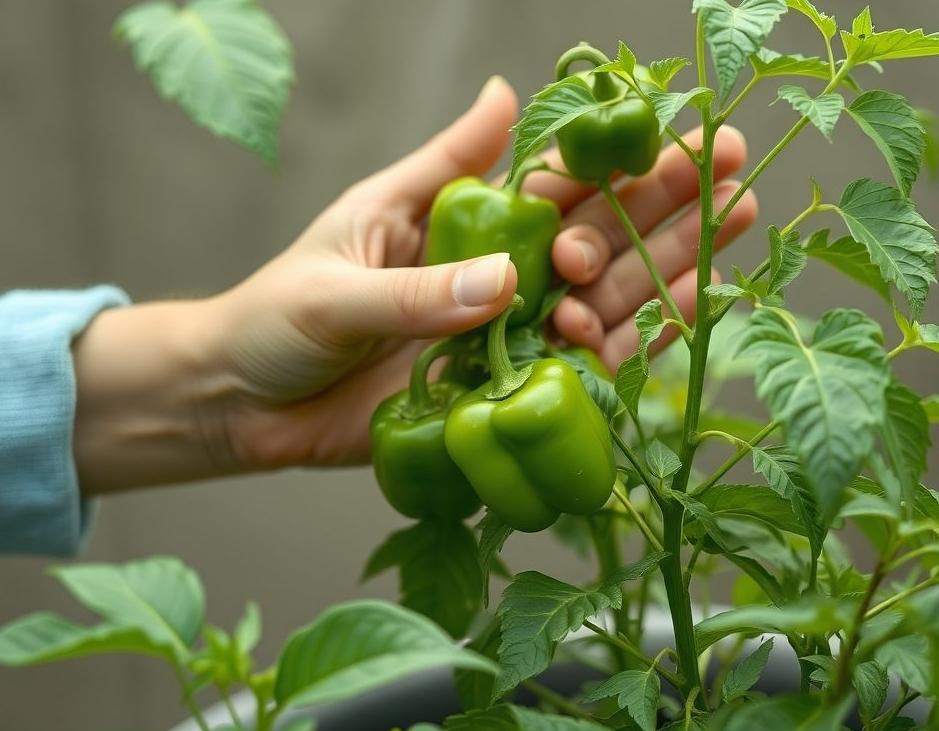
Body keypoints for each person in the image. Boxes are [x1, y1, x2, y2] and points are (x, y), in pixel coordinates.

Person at [0, 77, 756, 556]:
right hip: (480, 382)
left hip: (486, 380)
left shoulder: (497, 394)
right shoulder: (497, 392)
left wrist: (215, 400)